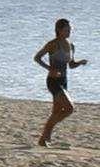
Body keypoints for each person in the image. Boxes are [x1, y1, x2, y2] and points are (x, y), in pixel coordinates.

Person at [34, 17, 86, 145]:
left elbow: (71, 65)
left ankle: (43, 139)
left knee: (56, 112)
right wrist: (49, 69)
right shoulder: (52, 44)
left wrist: (79, 63)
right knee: (69, 108)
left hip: (64, 81)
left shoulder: (71, 45)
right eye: (66, 29)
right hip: (53, 81)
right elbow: (37, 57)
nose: (69, 32)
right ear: (59, 30)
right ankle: (46, 135)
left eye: (70, 29)